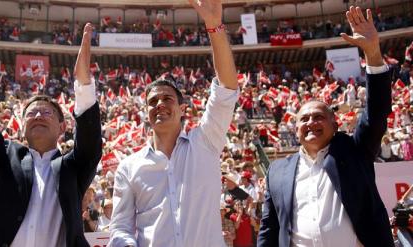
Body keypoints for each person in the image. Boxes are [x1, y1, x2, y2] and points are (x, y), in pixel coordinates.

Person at [0, 7, 102, 247]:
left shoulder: (73, 167)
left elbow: (90, 138)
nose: (38, 115)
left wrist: (83, 83)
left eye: (47, 112)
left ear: (62, 126)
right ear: (22, 127)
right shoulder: (7, 159)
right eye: (31, 113)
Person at [257, 6, 395, 247]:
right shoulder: (277, 172)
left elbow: (376, 113)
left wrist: (372, 52)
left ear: (335, 124)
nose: (311, 122)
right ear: (295, 128)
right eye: (304, 119)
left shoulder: (355, 151)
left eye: (319, 116)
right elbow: (270, 229)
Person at [109, 0, 239, 246]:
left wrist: (214, 28)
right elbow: (121, 227)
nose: (159, 104)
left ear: (182, 109)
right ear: (146, 113)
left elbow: (226, 89)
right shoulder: (128, 167)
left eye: (167, 98)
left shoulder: (207, 141)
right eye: (153, 101)